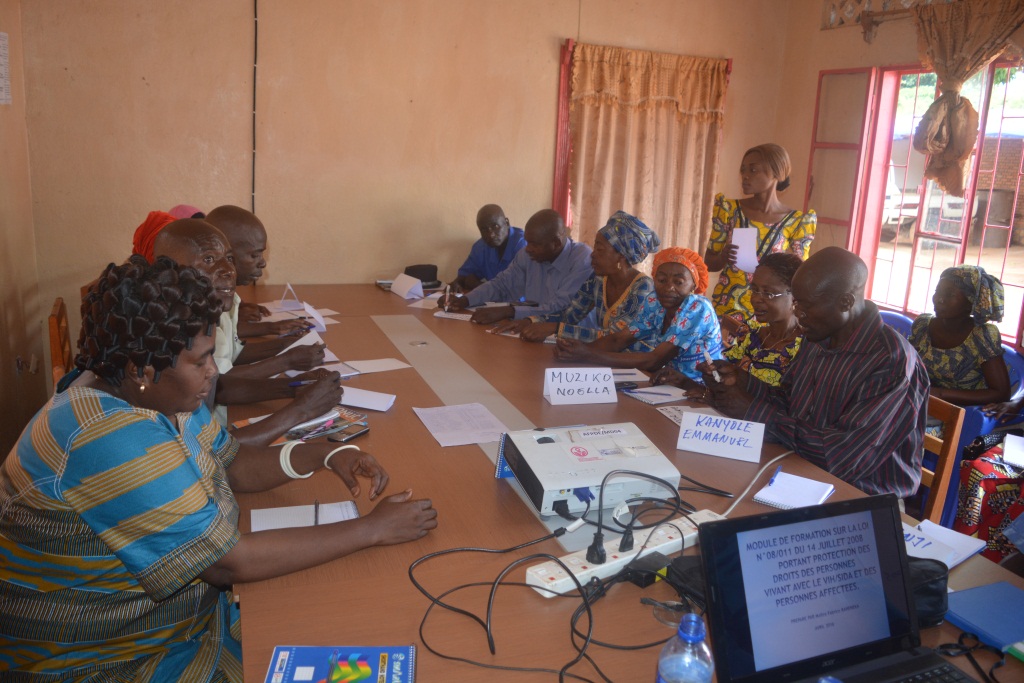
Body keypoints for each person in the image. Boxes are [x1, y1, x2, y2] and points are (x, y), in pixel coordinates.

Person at [0, 257, 437, 682]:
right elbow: (228, 565)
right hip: (111, 660)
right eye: (200, 361)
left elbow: (233, 464)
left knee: (350, 618)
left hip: (182, 624)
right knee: (353, 638)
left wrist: (323, 454)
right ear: (141, 370)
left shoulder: (154, 395)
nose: (213, 372)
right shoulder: (103, 436)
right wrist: (372, 529)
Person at [701, 247, 929, 499]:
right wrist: (742, 382)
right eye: (796, 302)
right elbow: (790, 402)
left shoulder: (890, 360)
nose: (797, 313)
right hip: (800, 467)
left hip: (862, 495)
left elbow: (840, 457)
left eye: (806, 306)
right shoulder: (818, 335)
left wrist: (753, 410)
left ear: (845, 302)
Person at [153, 219, 340, 444]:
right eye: (209, 259)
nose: (228, 269)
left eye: (229, 259)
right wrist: (296, 396)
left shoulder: (202, 319)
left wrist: (284, 348)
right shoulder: (169, 335)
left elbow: (229, 364)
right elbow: (212, 450)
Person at [704, 143, 816, 339]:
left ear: (776, 173)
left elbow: (800, 275)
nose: (745, 176)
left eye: (753, 170)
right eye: (743, 170)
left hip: (769, 311)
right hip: (728, 307)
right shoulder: (729, 210)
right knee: (721, 363)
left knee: (755, 364)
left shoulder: (797, 221)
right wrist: (723, 257)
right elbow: (708, 262)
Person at [555, 247, 721, 377]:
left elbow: (654, 360)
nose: (669, 288)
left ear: (693, 286)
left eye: (679, 282)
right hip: (669, 382)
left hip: (701, 387)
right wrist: (577, 350)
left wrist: (588, 355)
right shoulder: (654, 300)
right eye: (661, 280)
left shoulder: (697, 308)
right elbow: (619, 340)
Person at [500, 211, 661, 345]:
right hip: (606, 360)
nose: (592, 254)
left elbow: (614, 339)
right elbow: (569, 315)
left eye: (599, 249)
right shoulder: (598, 280)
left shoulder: (643, 288)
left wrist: (555, 328)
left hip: (640, 369)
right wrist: (531, 321)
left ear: (621, 256)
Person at [658, 252, 803, 392]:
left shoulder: (803, 351)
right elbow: (729, 391)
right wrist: (685, 383)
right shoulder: (752, 337)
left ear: (795, 297)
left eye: (768, 293)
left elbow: (785, 407)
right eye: (754, 290)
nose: (756, 299)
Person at [437, 208, 593, 325]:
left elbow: (561, 308)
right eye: (527, 241)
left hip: (570, 340)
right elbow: (502, 284)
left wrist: (509, 311)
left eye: (534, 244)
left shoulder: (582, 259)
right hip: (532, 329)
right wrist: (465, 300)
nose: (528, 248)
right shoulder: (527, 255)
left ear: (556, 243)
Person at [909, 265, 1010, 406]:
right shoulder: (923, 325)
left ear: (971, 303)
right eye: (938, 291)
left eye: (949, 294)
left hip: (964, 411)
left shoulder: (981, 336)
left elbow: (1001, 393)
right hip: (920, 400)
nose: (939, 299)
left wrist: (938, 394)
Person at [205, 204, 309, 332]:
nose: (263, 263)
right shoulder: (193, 305)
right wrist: (272, 329)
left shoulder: (219, 293)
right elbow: (223, 345)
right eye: (254, 255)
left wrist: (238, 306)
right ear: (225, 252)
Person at [450, 204, 526, 292]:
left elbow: (517, 289)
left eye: (496, 226)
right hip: (492, 302)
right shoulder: (481, 246)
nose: (491, 235)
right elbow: (465, 275)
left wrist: (478, 285)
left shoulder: (523, 245)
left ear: (507, 223)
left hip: (522, 303)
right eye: (484, 229)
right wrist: (457, 283)